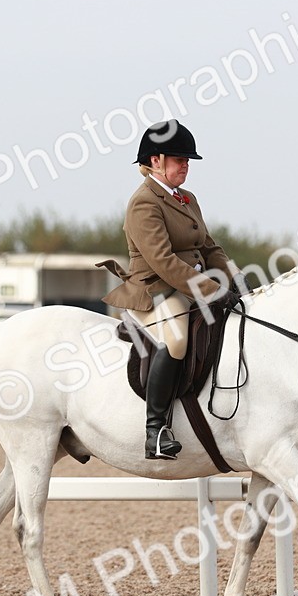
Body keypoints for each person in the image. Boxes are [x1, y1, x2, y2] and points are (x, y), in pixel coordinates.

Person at [98, 120, 241, 460]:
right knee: (176, 339)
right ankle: (156, 430)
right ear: (156, 160)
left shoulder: (187, 198)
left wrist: (235, 279)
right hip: (156, 289)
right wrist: (210, 290)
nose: (186, 165)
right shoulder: (144, 202)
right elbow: (163, 261)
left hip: (190, 286)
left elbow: (209, 247)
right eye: (179, 159)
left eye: (187, 160)